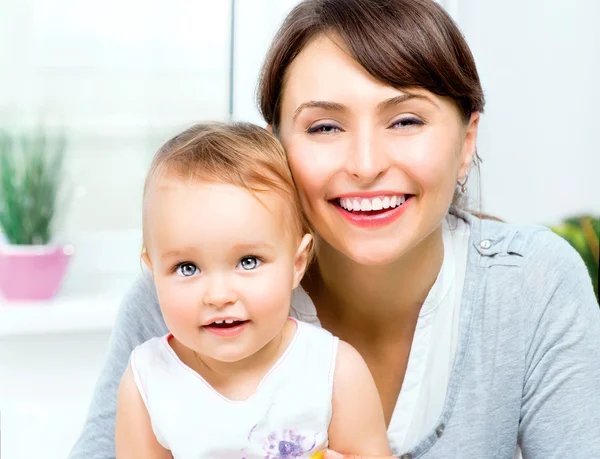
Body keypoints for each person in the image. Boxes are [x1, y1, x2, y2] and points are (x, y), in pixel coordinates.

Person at [70, 1, 600, 458]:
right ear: (275, 146)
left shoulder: (535, 284)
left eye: (406, 120)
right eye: (324, 126)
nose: (366, 164)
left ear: (466, 143)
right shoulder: (191, 294)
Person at [114, 122, 391, 458]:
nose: (218, 295)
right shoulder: (148, 381)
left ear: (296, 263)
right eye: (187, 268)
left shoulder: (333, 370)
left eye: (248, 262)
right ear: (153, 273)